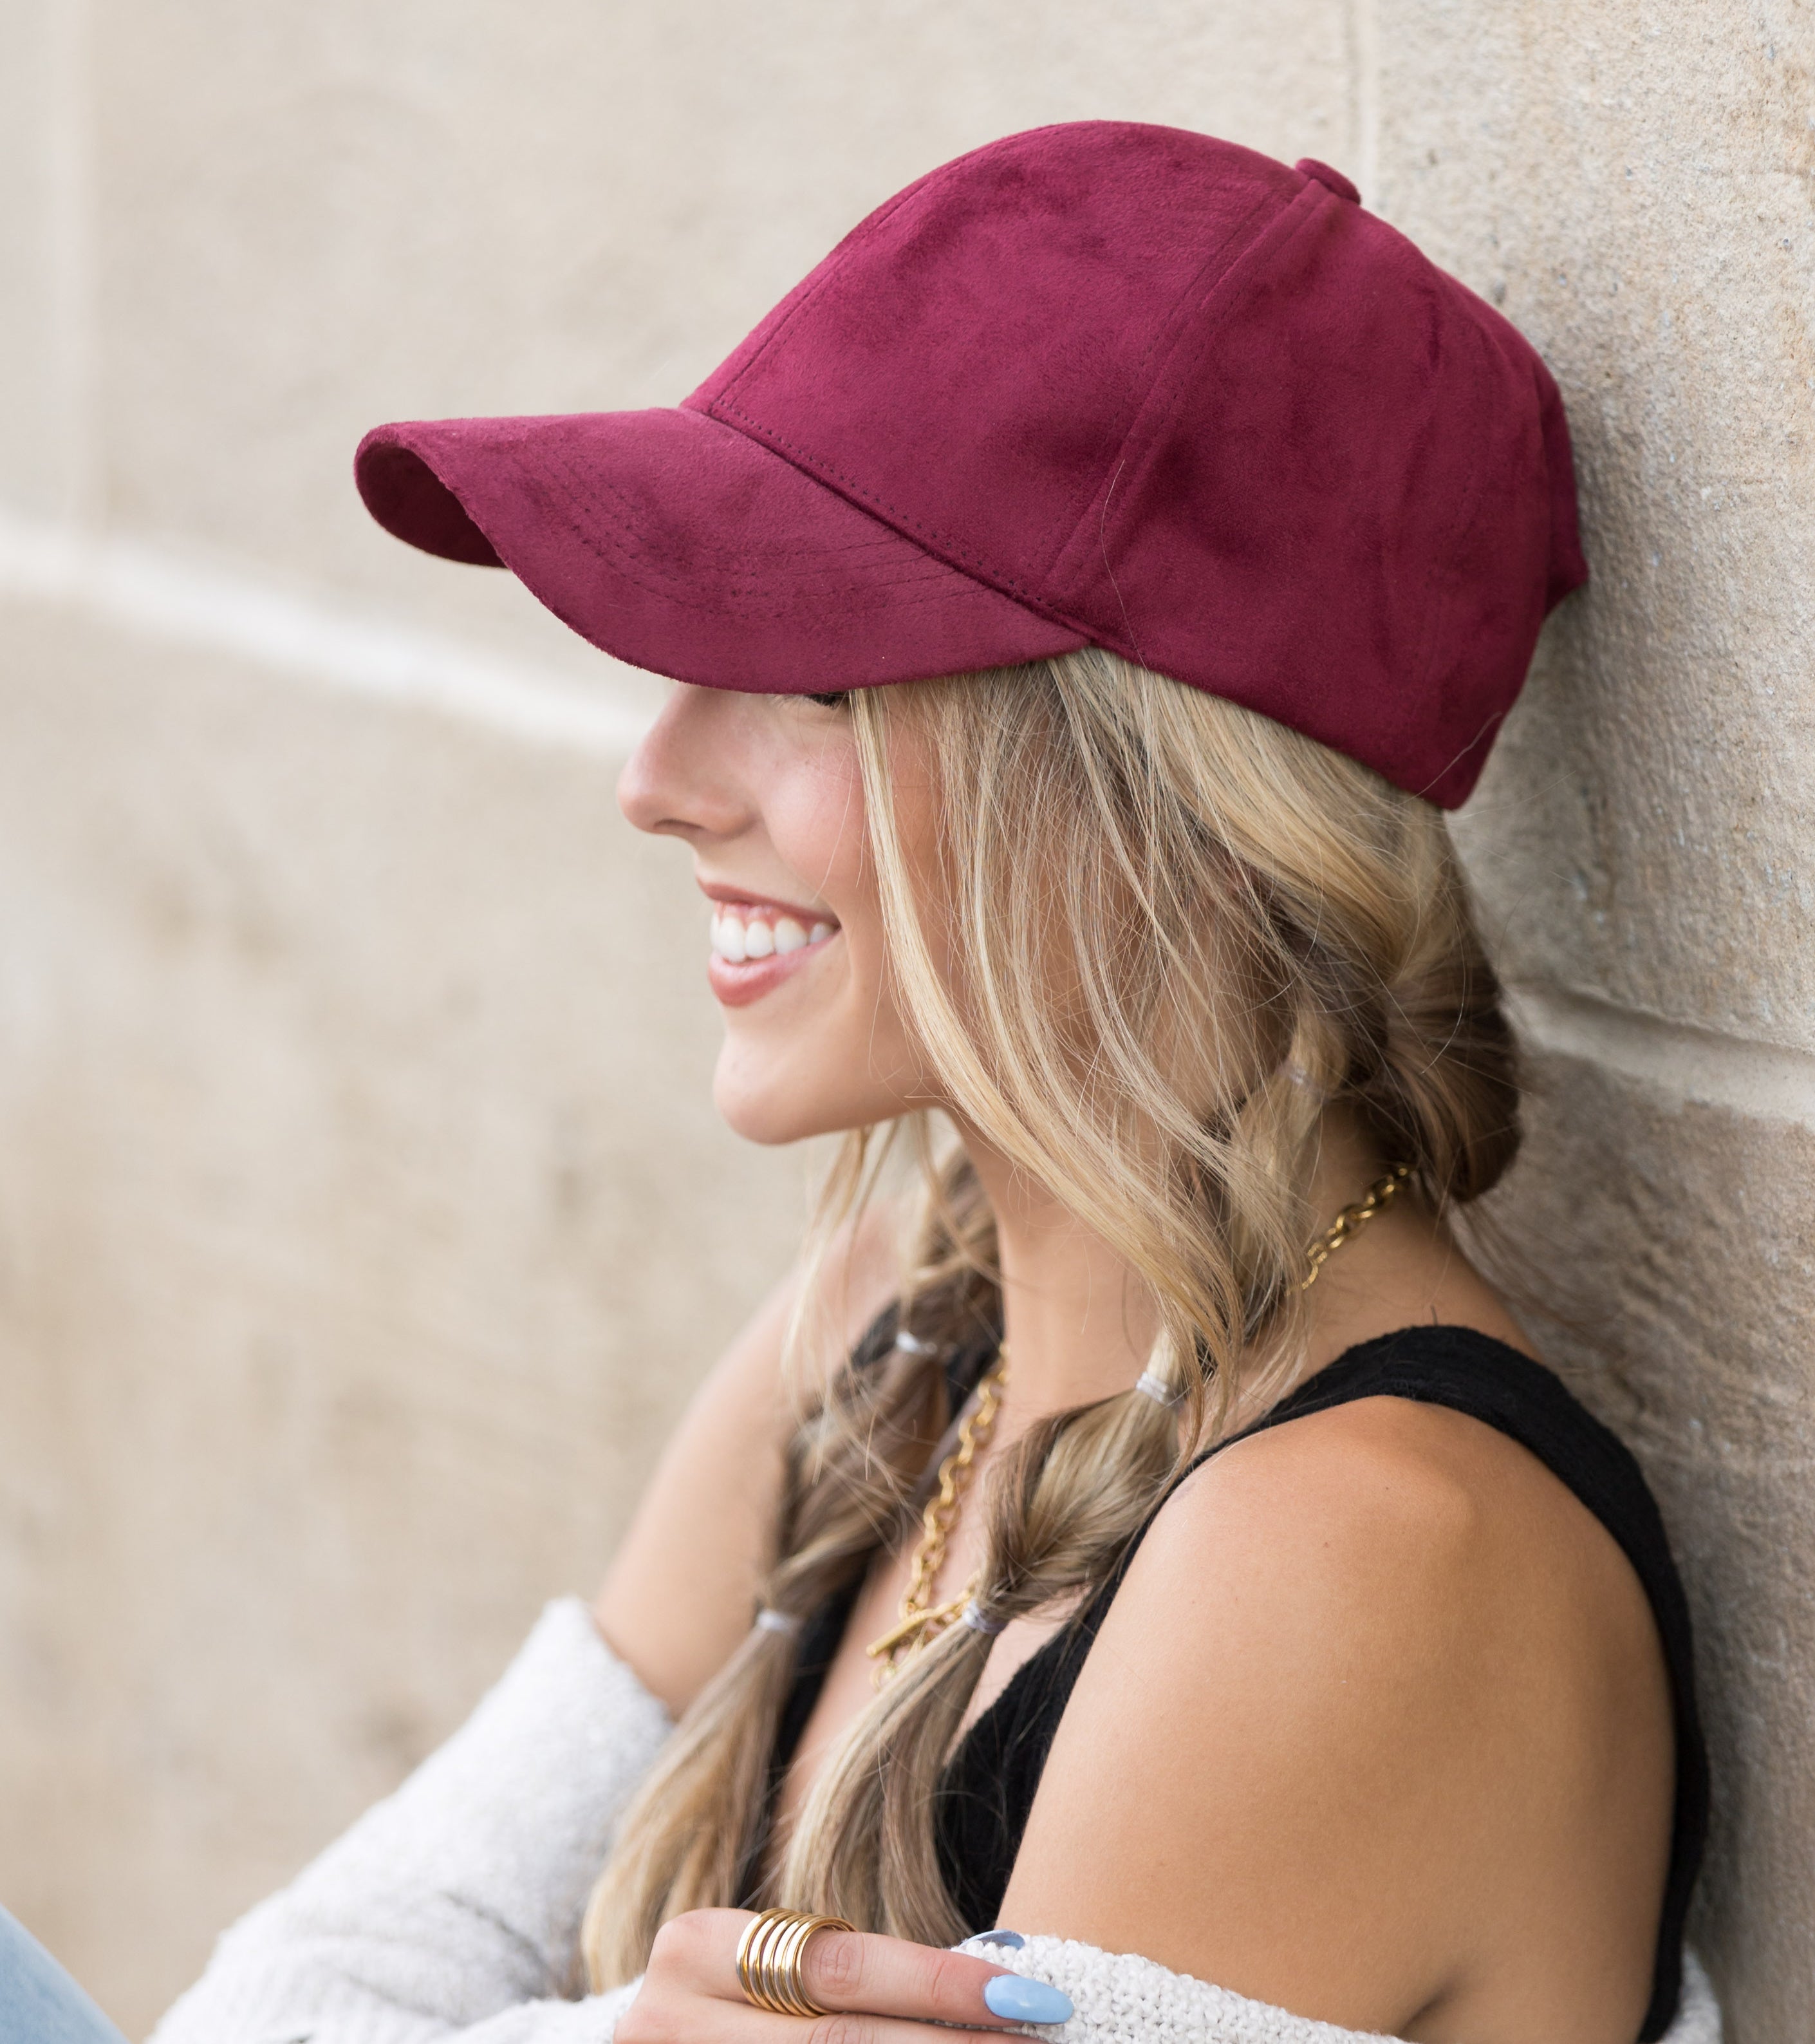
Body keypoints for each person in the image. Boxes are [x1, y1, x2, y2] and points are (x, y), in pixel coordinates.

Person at [131, 122, 1713, 2044]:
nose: (655, 779)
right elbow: (294, 1993)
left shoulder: (1365, 1552)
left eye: (810, 678)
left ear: (1157, 789)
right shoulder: (901, 1318)